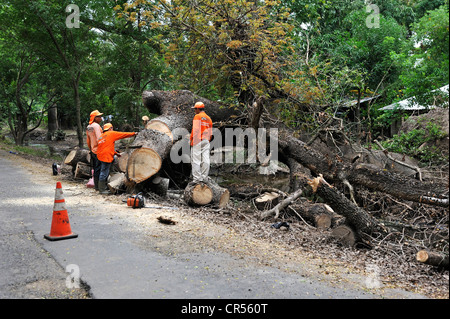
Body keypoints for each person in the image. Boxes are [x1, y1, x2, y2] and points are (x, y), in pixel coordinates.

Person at [97, 123, 137, 194]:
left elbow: (106, 147)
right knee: (104, 172)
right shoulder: (111, 133)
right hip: (106, 156)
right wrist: (134, 133)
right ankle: (102, 190)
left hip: (101, 156)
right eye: (112, 128)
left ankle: (108, 182)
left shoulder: (102, 136)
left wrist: (115, 153)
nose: (112, 129)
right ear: (110, 128)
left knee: (110, 166)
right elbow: (122, 134)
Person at [190, 101, 213, 182]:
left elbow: (195, 129)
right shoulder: (208, 118)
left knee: (196, 160)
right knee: (206, 159)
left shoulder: (197, 116)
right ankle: (204, 177)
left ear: (197, 109)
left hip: (197, 139)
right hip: (206, 140)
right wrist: (207, 140)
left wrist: (192, 139)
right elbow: (210, 132)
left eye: (195, 109)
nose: (194, 111)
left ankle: (197, 179)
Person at [86, 110, 103, 190]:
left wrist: (90, 149)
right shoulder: (96, 126)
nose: (100, 118)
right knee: (100, 169)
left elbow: (88, 140)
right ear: (95, 118)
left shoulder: (89, 127)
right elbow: (100, 138)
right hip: (99, 150)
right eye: (99, 117)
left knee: (96, 169)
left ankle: (96, 186)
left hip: (93, 150)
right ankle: (100, 187)